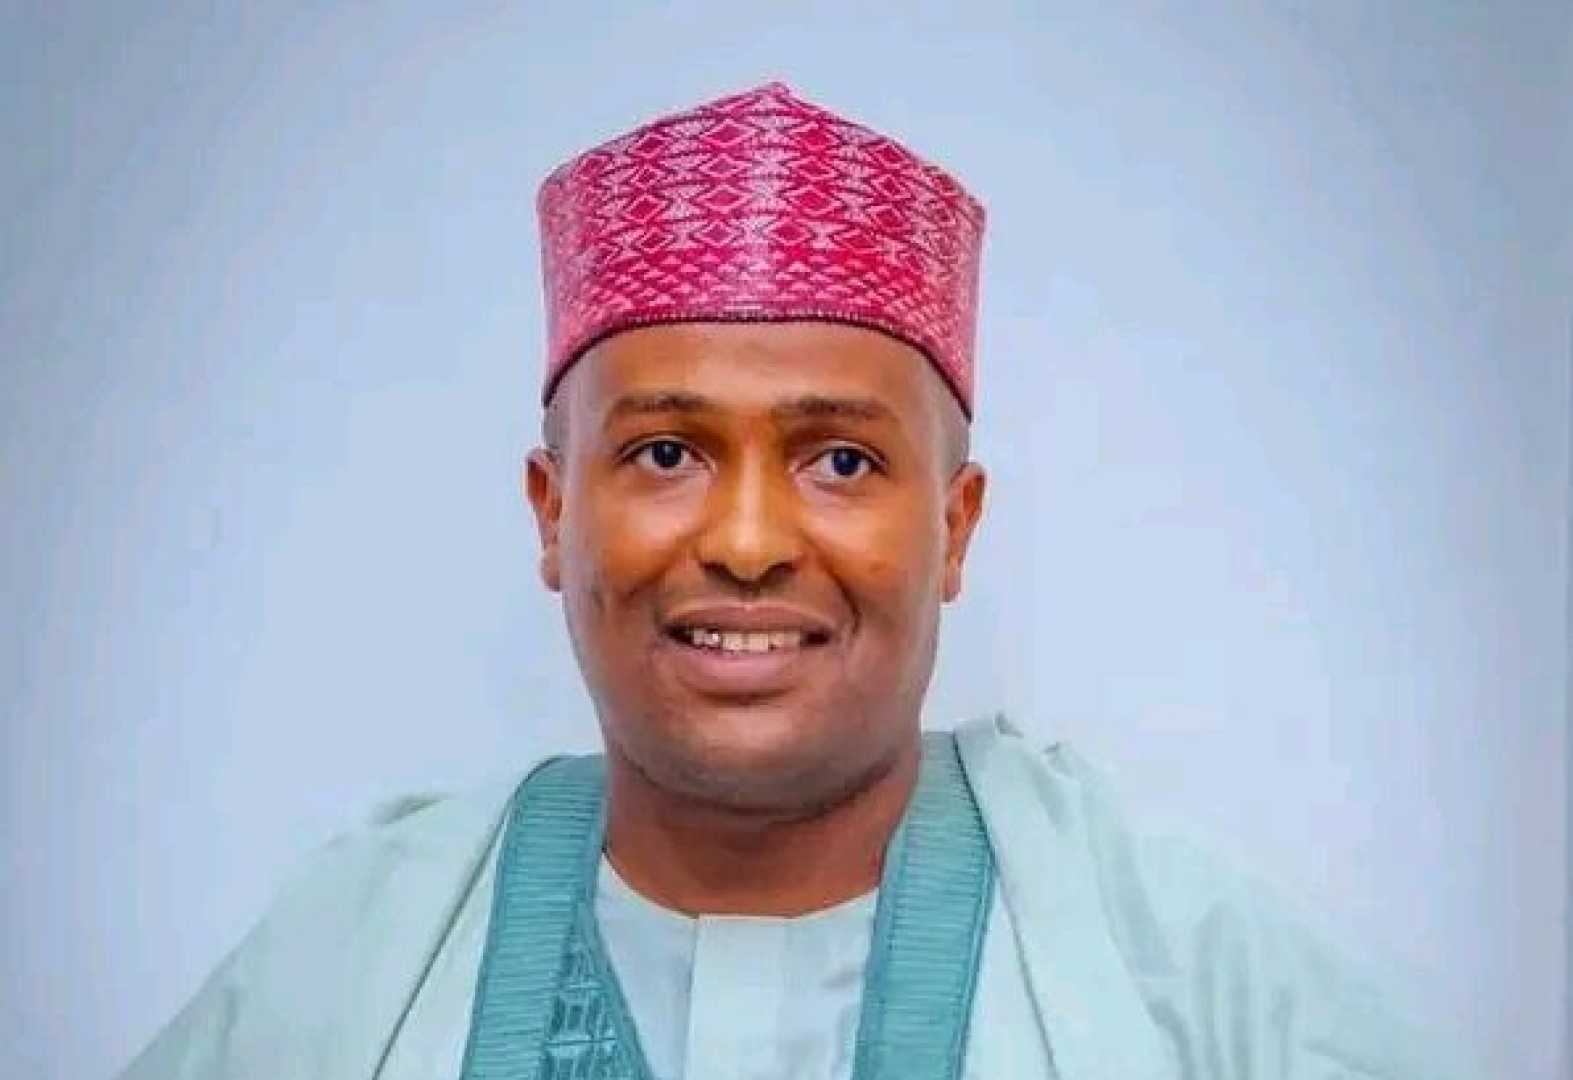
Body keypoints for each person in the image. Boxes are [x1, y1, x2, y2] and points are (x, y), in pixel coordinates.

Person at [122, 81, 1453, 1080]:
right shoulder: (354, 962)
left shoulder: (1184, 969)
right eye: (665, 452)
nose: (750, 541)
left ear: (955, 529)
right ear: (552, 511)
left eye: (838, 461)